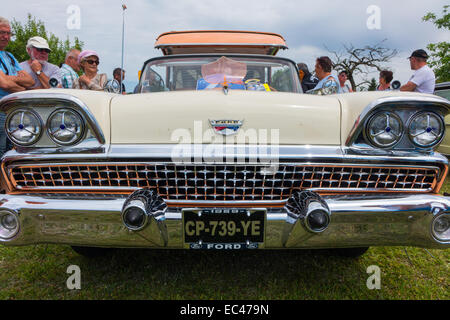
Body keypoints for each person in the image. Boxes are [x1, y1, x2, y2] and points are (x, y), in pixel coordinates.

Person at [0, 16, 34, 156]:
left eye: (9, 33)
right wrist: (21, 85)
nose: (6, 36)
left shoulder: (10, 56)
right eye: (2, 32)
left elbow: (30, 81)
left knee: (13, 151)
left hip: (13, 111)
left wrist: (9, 78)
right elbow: (4, 83)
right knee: (1, 151)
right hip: (1, 109)